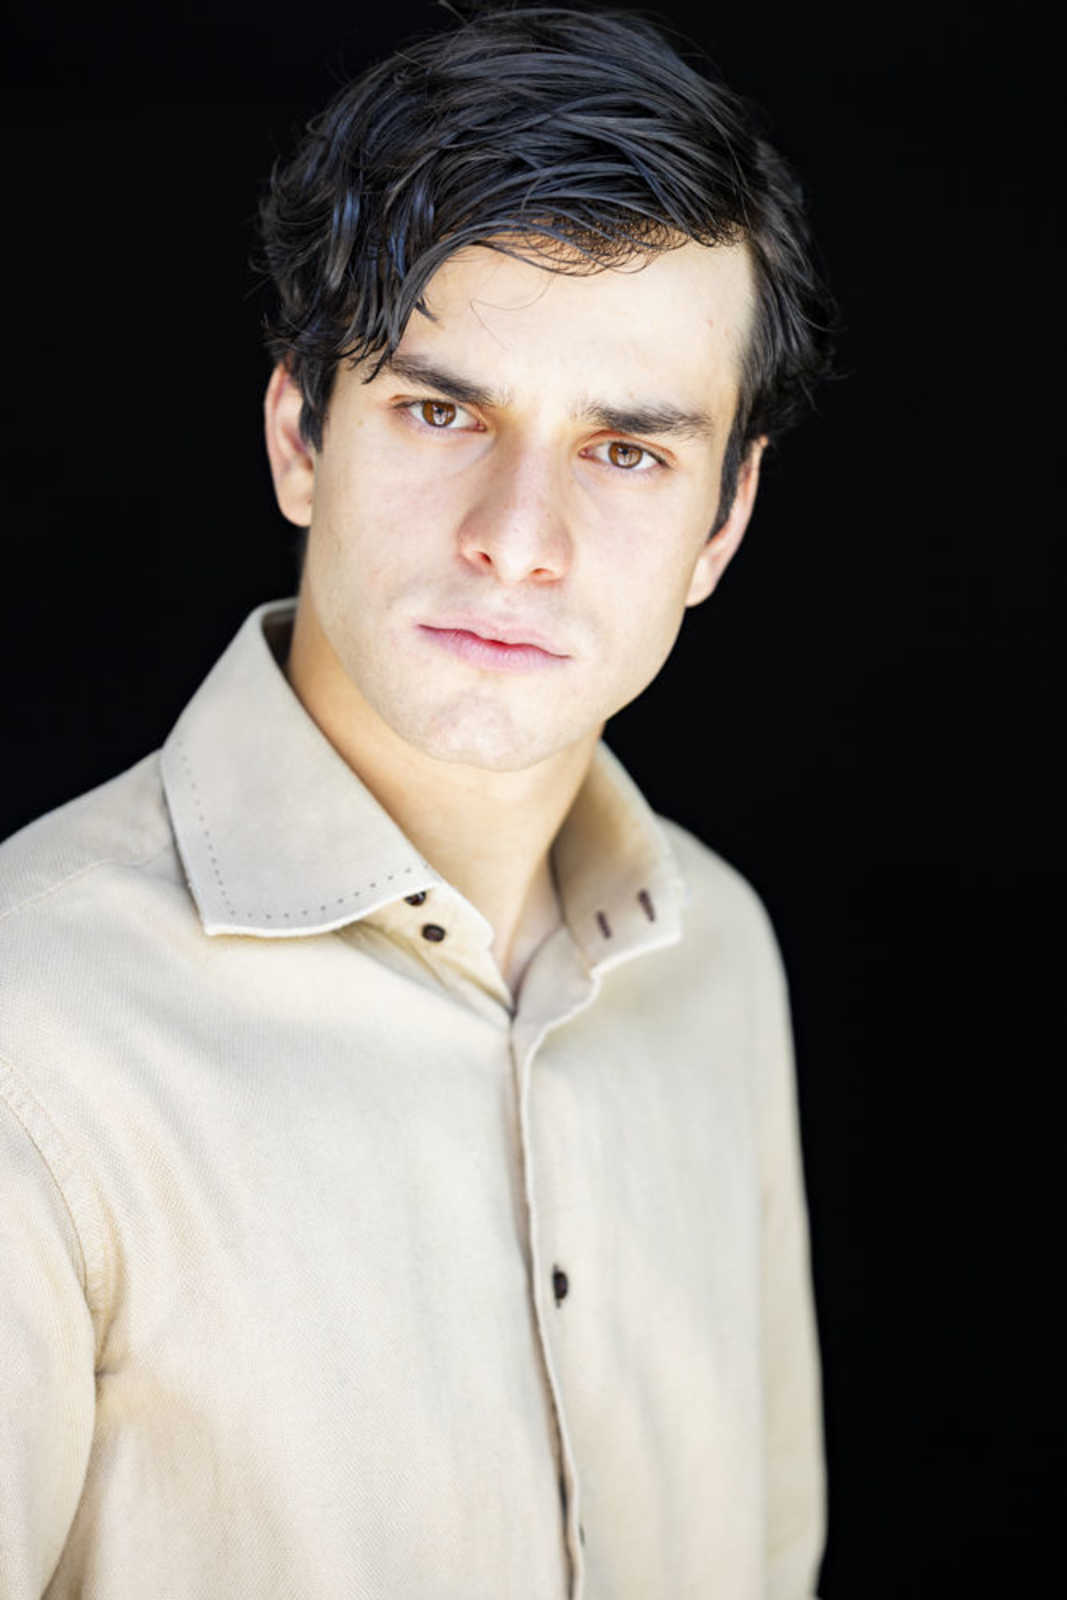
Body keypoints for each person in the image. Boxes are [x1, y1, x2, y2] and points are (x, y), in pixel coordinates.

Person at [0, 4, 836, 1596]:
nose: (518, 537)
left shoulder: (719, 956)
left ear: (723, 526)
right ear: (300, 437)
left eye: (628, 452)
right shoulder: (26, 1037)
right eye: (443, 411)